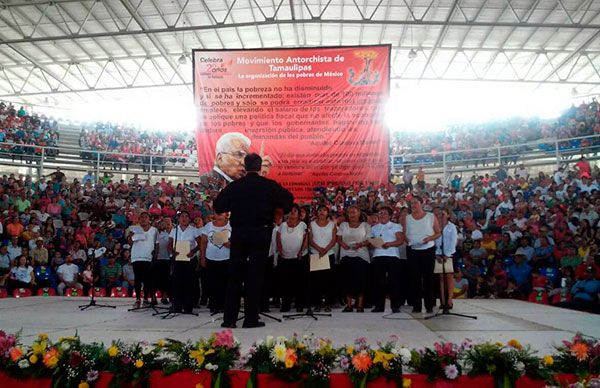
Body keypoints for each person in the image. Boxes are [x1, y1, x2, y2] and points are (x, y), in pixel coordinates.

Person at [214, 153, 293, 329]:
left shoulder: (235, 186)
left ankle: (229, 319)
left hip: (240, 233)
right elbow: (288, 201)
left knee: (235, 276)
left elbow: (218, 206)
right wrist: (275, 209)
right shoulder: (269, 186)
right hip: (260, 232)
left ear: (245, 165)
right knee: (255, 276)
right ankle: (251, 318)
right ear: (259, 167)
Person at [404, 196, 441, 314]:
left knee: (428, 278)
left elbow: (438, 232)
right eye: (411, 203)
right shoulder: (407, 218)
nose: (413, 205)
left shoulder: (430, 216)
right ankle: (416, 305)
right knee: (414, 278)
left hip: (427, 249)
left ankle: (429, 305)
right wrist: (408, 241)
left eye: (415, 203)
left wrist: (430, 238)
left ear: (421, 203)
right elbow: (404, 234)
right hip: (413, 250)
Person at [370, 206, 405, 313]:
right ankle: (379, 306)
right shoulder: (374, 228)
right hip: (378, 255)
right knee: (378, 281)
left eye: (384, 213)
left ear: (390, 216)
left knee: (394, 281)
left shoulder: (396, 226)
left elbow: (400, 240)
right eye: (380, 213)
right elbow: (371, 242)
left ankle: (395, 306)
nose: (382, 215)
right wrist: (373, 243)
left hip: (392, 255)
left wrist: (389, 244)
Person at [337, 205, 371, 312]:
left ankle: (360, 304)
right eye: (350, 212)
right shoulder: (343, 225)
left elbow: (370, 240)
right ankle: (349, 304)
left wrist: (360, 244)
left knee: (360, 280)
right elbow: (339, 239)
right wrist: (343, 244)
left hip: (361, 255)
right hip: (346, 254)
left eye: (354, 212)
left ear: (359, 213)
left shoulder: (365, 225)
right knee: (347, 280)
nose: (352, 214)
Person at [168, 211, 202, 314]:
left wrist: (193, 251)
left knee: (189, 283)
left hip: (190, 259)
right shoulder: (174, 230)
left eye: (186, 216)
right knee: (177, 282)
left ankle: (188, 306)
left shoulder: (194, 230)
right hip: (178, 259)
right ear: (178, 219)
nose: (184, 218)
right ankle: (177, 305)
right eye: (182, 216)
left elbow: (200, 244)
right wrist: (173, 252)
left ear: (189, 219)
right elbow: (169, 245)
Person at [276, 204, 308, 312]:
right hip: (285, 258)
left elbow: (305, 239)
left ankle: (299, 304)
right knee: (285, 283)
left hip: (299, 258)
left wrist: (301, 251)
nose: (292, 213)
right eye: (290, 211)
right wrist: (281, 252)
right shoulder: (283, 225)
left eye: (295, 211)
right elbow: (278, 239)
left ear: (299, 213)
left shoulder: (303, 225)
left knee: (299, 282)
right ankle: (286, 304)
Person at [200, 212, 232, 314]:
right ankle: (214, 305)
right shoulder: (208, 226)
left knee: (225, 283)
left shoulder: (231, 226)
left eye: (220, 215)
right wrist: (202, 257)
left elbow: (238, 242)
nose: (218, 217)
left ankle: (224, 305)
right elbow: (203, 242)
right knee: (212, 283)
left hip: (226, 259)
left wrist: (229, 244)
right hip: (211, 258)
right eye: (217, 215)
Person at [309, 205, 337, 312]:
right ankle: (317, 303)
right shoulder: (311, 224)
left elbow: (333, 240)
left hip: (328, 254)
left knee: (328, 280)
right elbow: (310, 240)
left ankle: (328, 303)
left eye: (324, 210)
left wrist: (325, 250)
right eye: (320, 210)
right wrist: (319, 249)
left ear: (327, 213)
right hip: (316, 254)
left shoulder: (332, 225)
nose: (322, 212)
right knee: (316, 281)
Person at [128, 212, 158, 308]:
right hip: (136, 256)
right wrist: (130, 235)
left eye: (146, 217)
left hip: (148, 257)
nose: (144, 219)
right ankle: (137, 299)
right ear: (139, 219)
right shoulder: (135, 229)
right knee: (138, 279)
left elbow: (156, 245)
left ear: (149, 219)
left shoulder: (154, 230)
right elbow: (130, 242)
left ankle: (145, 298)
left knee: (147, 279)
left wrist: (155, 257)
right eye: (142, 217)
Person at [435, 208, 458, 309]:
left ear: (448, 215)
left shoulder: (451, 227)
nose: (441, 215)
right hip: (438, 254)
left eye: (443, 214)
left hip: (449, 254)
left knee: (449, 277)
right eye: (440, 214)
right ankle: (442, 301)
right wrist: (436, 254)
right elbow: (434, 240)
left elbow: (453, 241)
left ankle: (449, 300)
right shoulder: (435, 226)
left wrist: (447, 254)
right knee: (441, 278)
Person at [154, 219, 172, 304]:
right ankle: (154, 297)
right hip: (157, 259)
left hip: (167, 259)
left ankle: (164, 297)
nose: (163, 226)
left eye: (166, 224)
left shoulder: (170, 234)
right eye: (161, 224)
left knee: (166, 279)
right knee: (156, 279)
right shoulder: (155, 233)